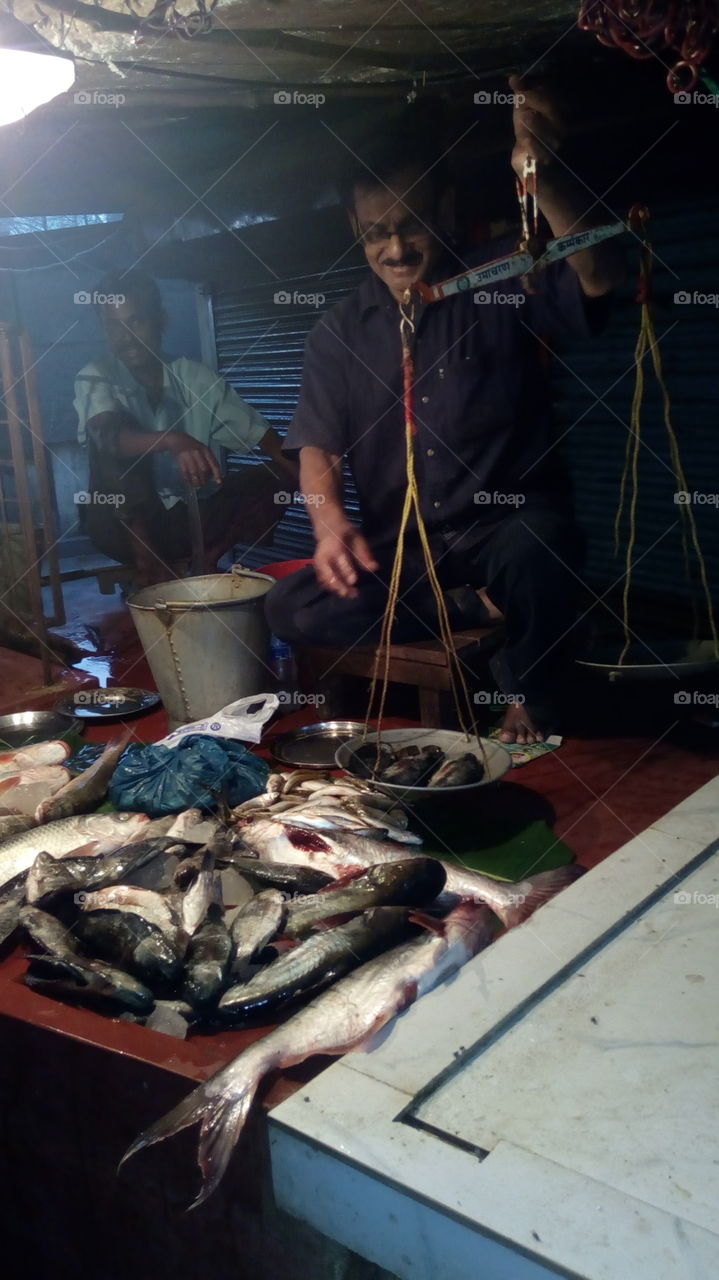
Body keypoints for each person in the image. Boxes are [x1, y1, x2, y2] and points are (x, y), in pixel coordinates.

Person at [265, 76, 624, 743]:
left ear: (446, 210)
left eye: (411, 226)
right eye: (376, 233)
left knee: (542, 546)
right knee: (294, 605)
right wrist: (329, 524)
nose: (395, 250)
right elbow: (318, 445)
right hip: (408, 548)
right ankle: (472, 608)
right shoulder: (339, 331)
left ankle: (528, 690)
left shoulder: (499, 275)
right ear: (353, 227)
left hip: (505, 529)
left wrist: (542, 176)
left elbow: (597, 276)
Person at [74, 268, 297, 585]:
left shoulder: (195, 378)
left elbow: (269, 441)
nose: (126, 338)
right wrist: (172, 440)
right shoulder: (96, 374)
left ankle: (206, 559)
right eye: (113, 326)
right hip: (119, 527)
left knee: (283, 471)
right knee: (111, 436)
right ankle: (149, 565)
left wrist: (321, 489)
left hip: (187, 521)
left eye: (136, 321)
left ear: (161, 320)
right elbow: (106, 437)